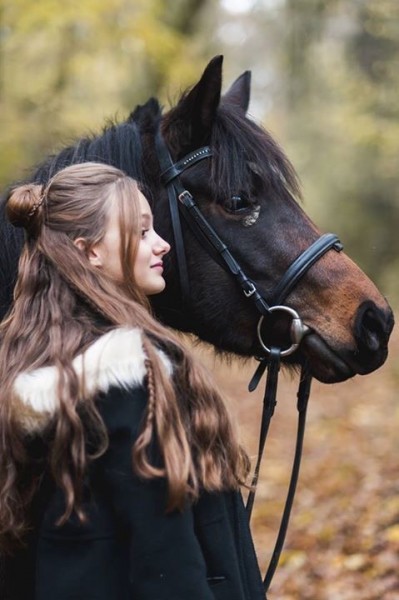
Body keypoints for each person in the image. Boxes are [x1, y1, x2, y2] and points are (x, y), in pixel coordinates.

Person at [0, 162, 265, 599]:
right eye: (141, 232)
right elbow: (166, 557)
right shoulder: (123, 373)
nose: (161, 244)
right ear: (90, 252)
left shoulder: (33, 370)